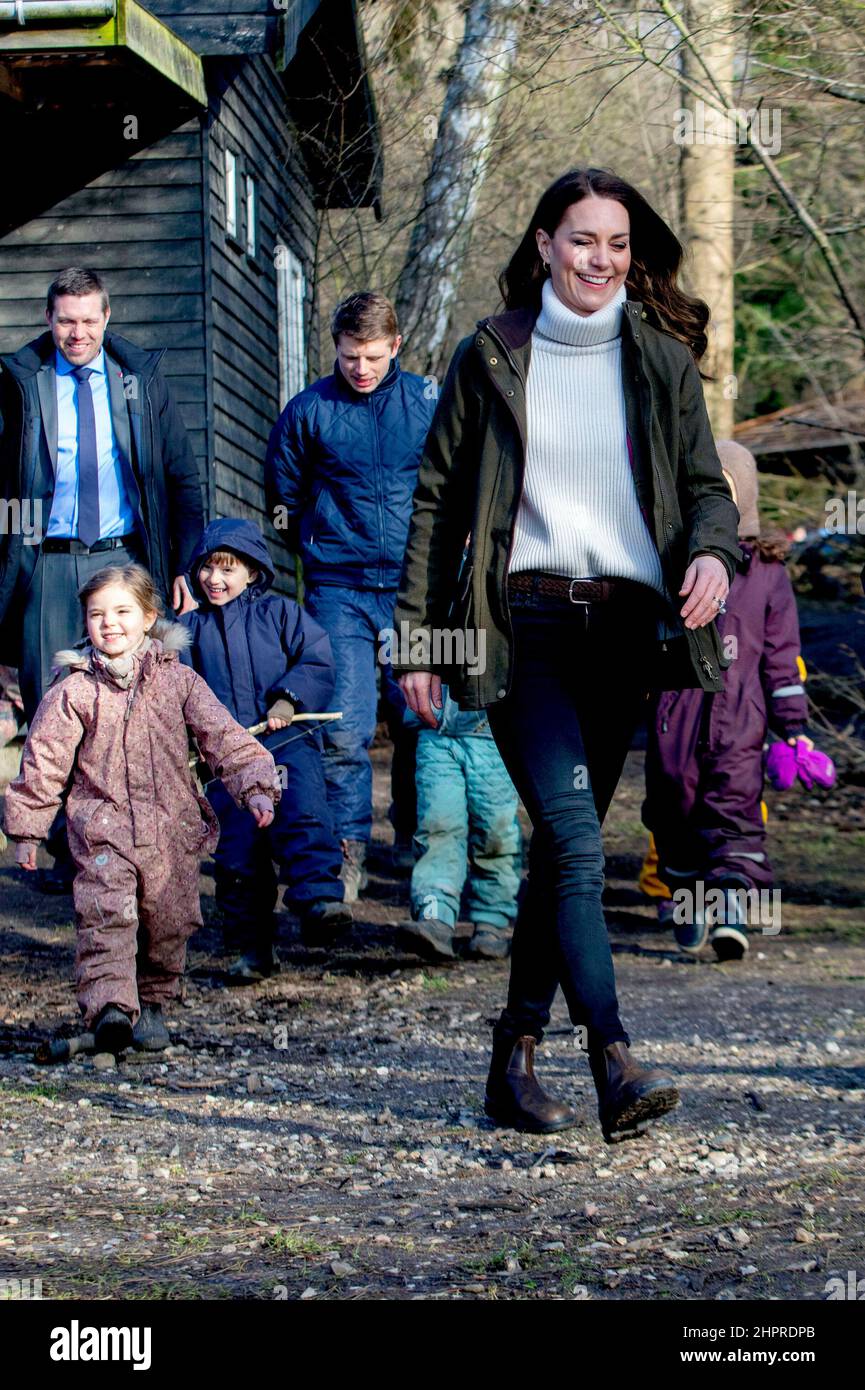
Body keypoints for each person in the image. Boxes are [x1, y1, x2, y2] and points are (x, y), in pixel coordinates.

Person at [395, 167, 741, 1143]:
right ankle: (613, 1055)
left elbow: (706, 491)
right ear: (545, 243)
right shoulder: (493, 353)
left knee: (560, 851)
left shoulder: (660, 360)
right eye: (582, 238)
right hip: (526, 628)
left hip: (624, 632)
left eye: (617, 244)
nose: (600, 258)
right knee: (579, 840)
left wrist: (712, 553)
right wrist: (420, 638)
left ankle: (512, 1057)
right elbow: (435, 500)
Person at [2, 564, 279, 1056]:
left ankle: (150, 1004)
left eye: (123, 611)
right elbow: (42, 763)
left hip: (171, 831)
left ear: (149, 617)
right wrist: (25, 830)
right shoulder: (73, 692)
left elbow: (224, 738)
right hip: (101, 830)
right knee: (107, 914)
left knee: (168, 922)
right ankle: (110, 1008)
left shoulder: (180, 683)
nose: (110, 623)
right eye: (97, 614)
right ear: (85, 621)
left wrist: (256, 786)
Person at [0, 266, 203, 890]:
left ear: (107, 319)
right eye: (66, 321)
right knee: (50, 698)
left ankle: (132, 837)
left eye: (89, 321)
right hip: (49, 560)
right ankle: (69, 845)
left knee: (133, 698)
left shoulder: (138, 377)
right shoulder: (21, 381)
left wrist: (185, 565)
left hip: (124, 557)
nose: (77, 333)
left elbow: (179, 474)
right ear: (48, 320)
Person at [265, 291, 436, 900]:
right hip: (338, 589)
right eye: (348, 357)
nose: (360, 369)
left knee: (422, 719)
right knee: (344, 726)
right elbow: (281, 498)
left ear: (395, 346)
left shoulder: (427, 404)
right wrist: (312, 545)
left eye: (371, 357)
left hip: (417, 588)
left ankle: (420, 844)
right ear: (334, 349)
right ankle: (346, 850)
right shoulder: (308, 410)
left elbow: (458, 485)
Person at [643, 439, 834, 960]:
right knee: (672, 805)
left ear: (744, 497)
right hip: (675, 711)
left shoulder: (766, 572)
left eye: (725, 492)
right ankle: (689, 903)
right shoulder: (666, 558)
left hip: (741, 715)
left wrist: (792, 726)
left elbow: (782, 655)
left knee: (736, 807)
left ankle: (732, 908)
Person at [178, 518, 349, 977]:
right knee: (237, 852)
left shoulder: (282, 614)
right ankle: (252, 948)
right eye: (207, 569)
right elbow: (175, 688)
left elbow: (316, 658)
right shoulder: (187, 630)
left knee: (303, 813)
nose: (214, 579)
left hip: (285, 742)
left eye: (227, 569)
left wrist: (287, 700)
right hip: (226, 761)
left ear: (252, 572)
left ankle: (319, 900)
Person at [400, 685, 522, 961]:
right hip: (435, 728)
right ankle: (435, 914)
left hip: (493, 733)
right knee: (437, 825)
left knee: (496, 833)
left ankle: (491, 922)